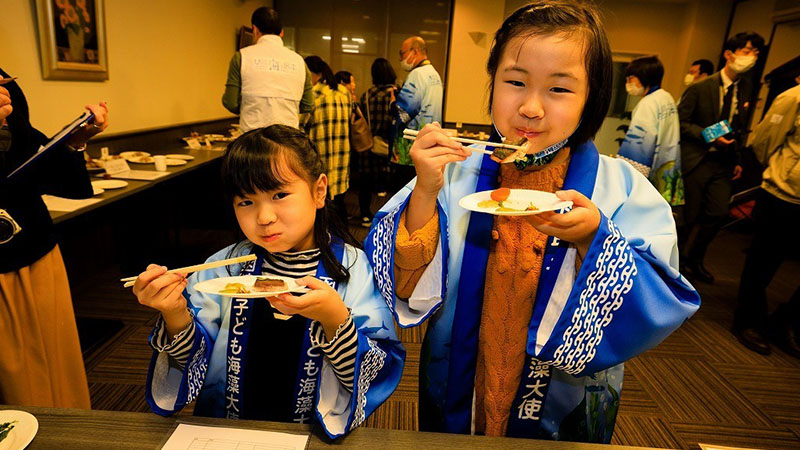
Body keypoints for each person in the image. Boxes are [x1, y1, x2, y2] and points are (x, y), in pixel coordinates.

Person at [365, 1, 699, 442]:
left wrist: (595, 240)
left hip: (563, 396)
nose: (531, 108)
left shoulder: (622, 188)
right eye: (515, 82)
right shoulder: (457, 172)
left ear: (591, 98)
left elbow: (658, 301)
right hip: (463, 377)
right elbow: (399, 281)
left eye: (559, 90)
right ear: (492, 83)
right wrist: (425, 189)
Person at [134, 125, 404, 438]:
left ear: (319, 191)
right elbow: (190, 361)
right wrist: (174, 312)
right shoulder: (222, 269)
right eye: (245, 201)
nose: (264, 218)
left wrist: (334, 319)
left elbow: (377, 369)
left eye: (279, 195)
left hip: (310, 436)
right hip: (227, 430)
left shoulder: (352, 269)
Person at [0, 68, 108, 408]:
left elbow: (31, 154)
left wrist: (74, 141)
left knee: (56, 353)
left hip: (38, 251)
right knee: (15, 375)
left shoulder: (5, 83)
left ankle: (66, 431)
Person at [678, 31, 764, 283]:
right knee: (689, 216)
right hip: (698, 160)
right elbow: (681, 123)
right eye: (747, 51)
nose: (752, 58)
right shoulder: (700, 88)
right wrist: (707, 135)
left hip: (724, 162)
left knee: (717, 213)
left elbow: (740, 125)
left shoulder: (746, 88)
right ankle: (678, 264)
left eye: (756, 54)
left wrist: (737, 159)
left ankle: (695, 259)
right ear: (729, 54)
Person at [732, 77, 800, 358]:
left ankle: (784, 323)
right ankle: (747, 322)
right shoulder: (793, 98)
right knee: (762, 264)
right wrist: (786, 172)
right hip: (783, 195)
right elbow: (762, 142)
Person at [222, 6, 314, 131]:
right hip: (287, 139)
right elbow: (308, 105)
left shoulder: (242, 57)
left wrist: (251, 104)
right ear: (282, 32)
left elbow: (230, 102)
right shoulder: (299, 61)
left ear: (254, 29)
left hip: (252, 139)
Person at [617, 55, 684, 206]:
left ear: (644, 76)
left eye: (631, 78)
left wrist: (624, 174)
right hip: (667, 166)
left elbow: (639, 146)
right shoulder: (666, 98)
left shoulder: (648, 103)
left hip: (650, 174)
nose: (628, 82)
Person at [391, 36, 443, 193]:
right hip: (429, 145)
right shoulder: (434, 74)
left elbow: (404, 112)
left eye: (402, 53)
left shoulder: (417, 75)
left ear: (414, 52)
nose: (400, 58)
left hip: (410, 149)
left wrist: (393, 101)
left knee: (403, 194)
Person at [304, 56, 352, 225]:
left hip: (320, 155)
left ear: (310, 73)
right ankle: (344, 242)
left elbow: (302, 124)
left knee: (322, 206)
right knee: (339, 204)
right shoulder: (343, 92)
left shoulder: (313, 94)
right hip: (342, 156)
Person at [357, 59, 397, 225]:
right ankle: (388, 218)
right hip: (389, 144)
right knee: (388, 184)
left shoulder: (366, 94)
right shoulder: (395, 94)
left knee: (365, 182)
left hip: (369, 143)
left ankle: (365, 215)